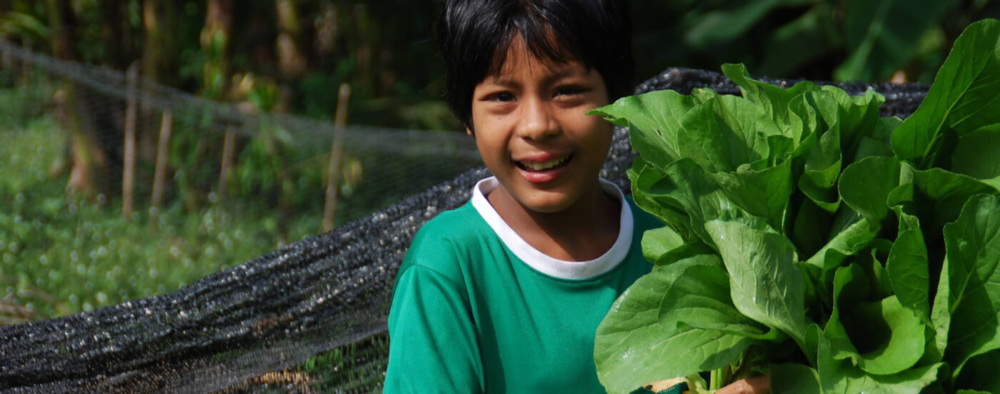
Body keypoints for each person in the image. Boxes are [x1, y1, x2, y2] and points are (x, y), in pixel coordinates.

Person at [384, 1, 769, 392]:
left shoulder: (679, 243)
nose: (537, 126)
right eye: (502, 97)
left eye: (566, 91)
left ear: (615, 98)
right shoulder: (448, 266)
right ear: (467, 115)